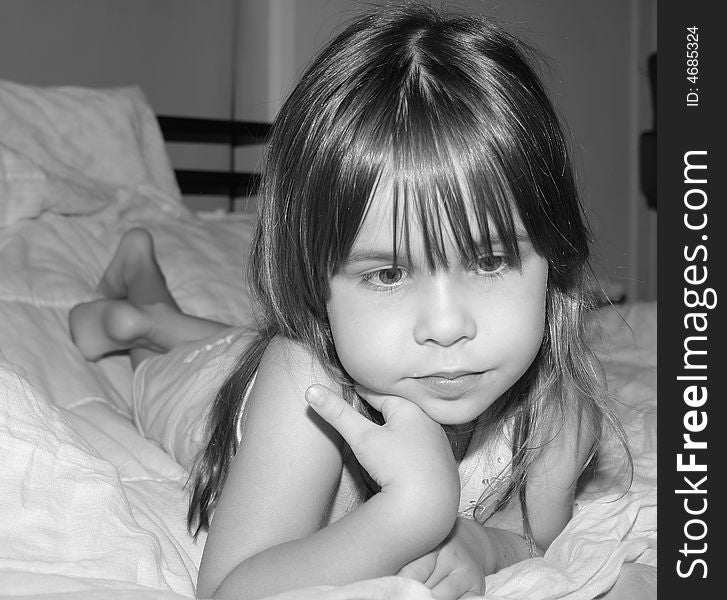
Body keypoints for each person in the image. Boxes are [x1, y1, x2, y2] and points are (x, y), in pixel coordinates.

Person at [70, 4, 631, 600]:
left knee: (235, 345)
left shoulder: (560, 404)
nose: (447, 326)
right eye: (388, 273)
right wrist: (413, 512)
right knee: (185, 365)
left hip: (288, 353)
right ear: (315, 288)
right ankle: (133, 317)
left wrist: (481, 544)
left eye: (491, 261)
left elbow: (533, 537)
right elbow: (230, 590)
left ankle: (151, 307)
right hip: (210, 397)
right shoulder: (305, 384)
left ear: (555, 254)